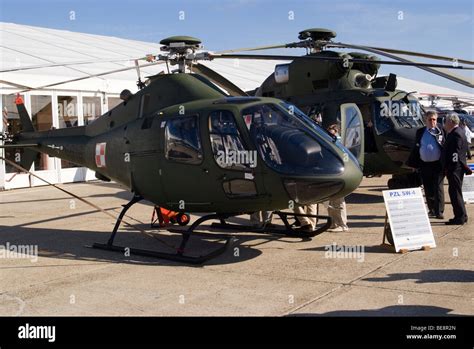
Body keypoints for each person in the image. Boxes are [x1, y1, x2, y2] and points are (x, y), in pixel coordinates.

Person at [407, 111, 445, 219]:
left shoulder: (441, 131)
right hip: (424, 164)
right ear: (425, 120)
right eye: (430, 119)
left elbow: (445, 147)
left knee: (438, 188)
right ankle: (432, 209)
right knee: (428, 188)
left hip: (437, 164)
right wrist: (413, 163)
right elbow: (416, 147)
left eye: (434, 119)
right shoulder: (420, 132)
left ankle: (439, 211)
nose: (432, 122)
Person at [443, 113, 470, 225]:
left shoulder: (456, 134)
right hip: (456, 168)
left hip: (455, 168)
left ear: (451, 122)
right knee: (456, 192)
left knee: (455, 192)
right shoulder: (458, 132)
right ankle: (462, 215)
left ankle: (459, 217)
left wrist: (450, 167)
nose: (444, 124)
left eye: (446, 121)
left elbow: (456, 153)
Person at [326, 124, 349, 232]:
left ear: (336, 131)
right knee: (331, 201)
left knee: (338, 201)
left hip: (338, 175)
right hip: (332, 174)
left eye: (331, 131)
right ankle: (334, 223)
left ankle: (342, 224)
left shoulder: (339, 143)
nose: (329, 133)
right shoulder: (332, 142)